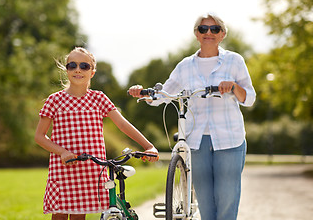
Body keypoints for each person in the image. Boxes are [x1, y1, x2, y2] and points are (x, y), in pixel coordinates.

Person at [128, 13, 256, 220]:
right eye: (203, 29)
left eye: (214, 29)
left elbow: (249, 98)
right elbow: (164, 94)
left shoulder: (234, 61)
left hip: (230, 139)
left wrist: (233, 86)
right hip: (197, 140)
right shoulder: (185, 66)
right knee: (205, 202)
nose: (209, 33)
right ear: (196, 34)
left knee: (227, 199)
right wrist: (143, 92)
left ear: (222, 34)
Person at [35, 47, 159, 220]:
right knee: (60, 216)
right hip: (62, 168)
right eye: (72, 65)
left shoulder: (98, 99)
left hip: (89, 168)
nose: (78, 69)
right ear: (67, 70)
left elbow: (122, 124)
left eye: (84, 66)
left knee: (79, 217)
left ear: (92, 72)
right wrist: (62, 152)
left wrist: (148, 146)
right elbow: (39, 136)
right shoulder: (55, 100)